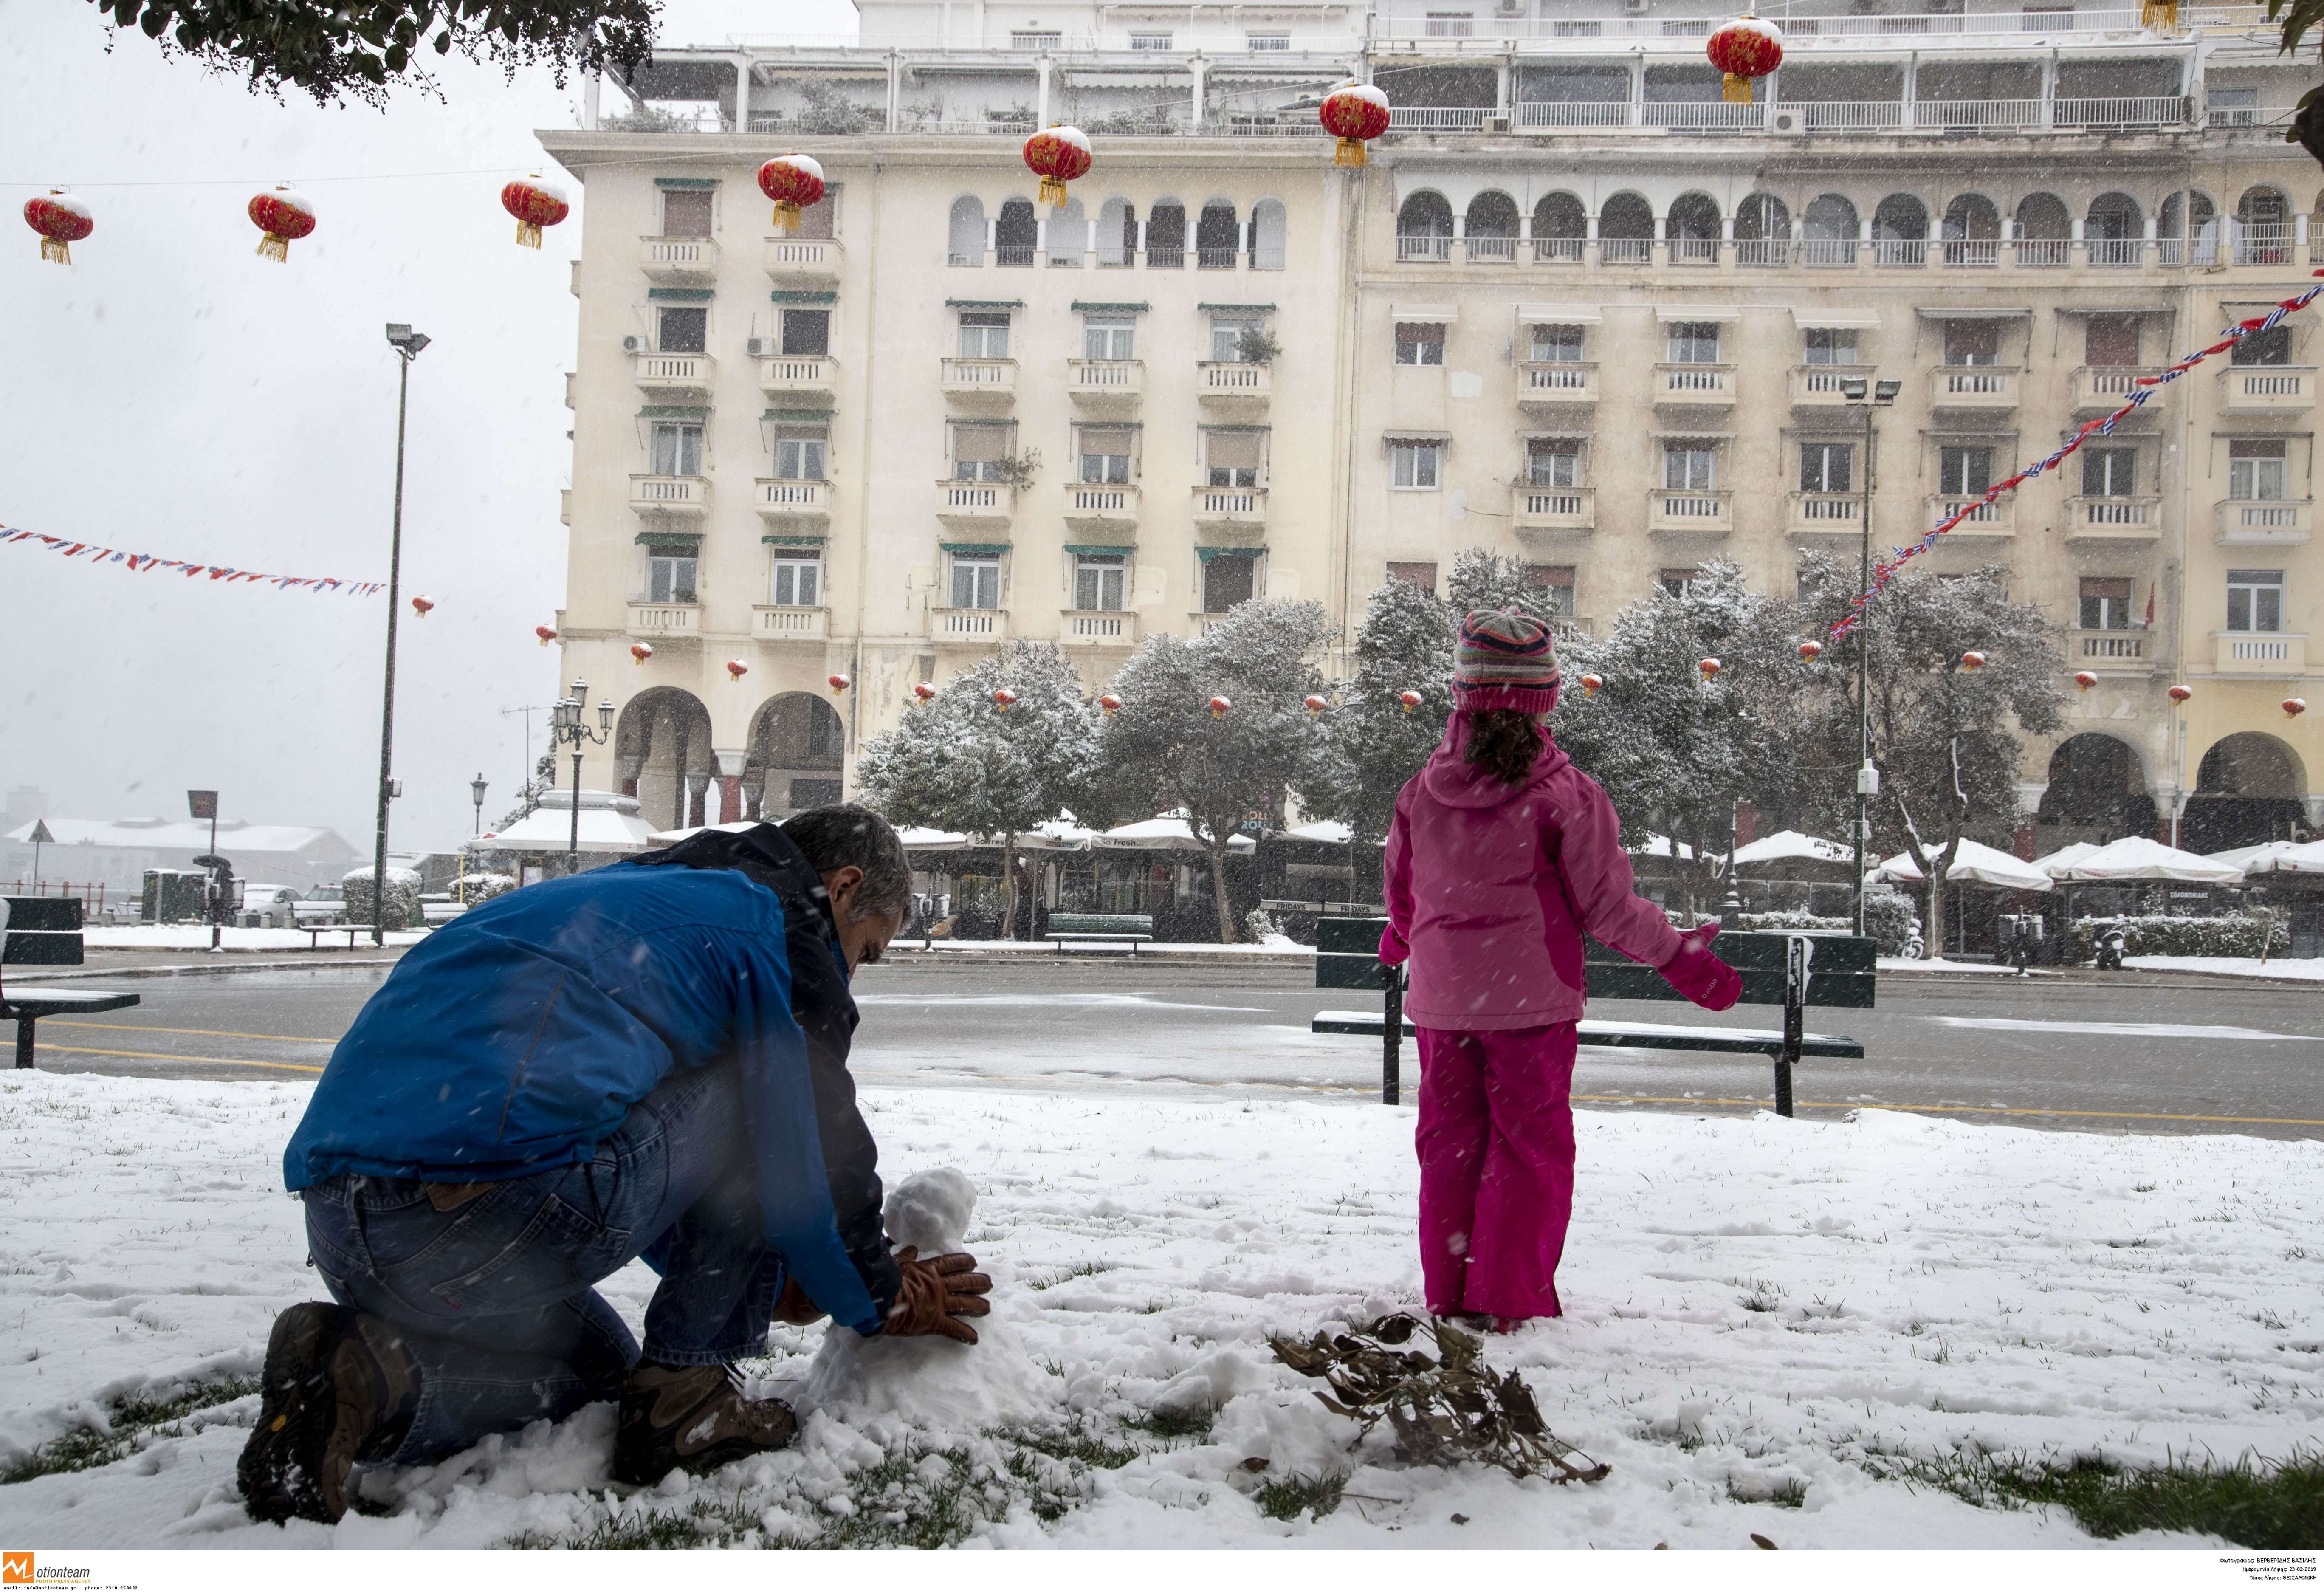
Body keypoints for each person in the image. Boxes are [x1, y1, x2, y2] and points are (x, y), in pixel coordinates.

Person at [237, 805, 992, 1526]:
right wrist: (877, 1292)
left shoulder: (637, 892)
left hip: (351, 1223)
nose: (852, 975)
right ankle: (691, 1395)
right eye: (864, 950)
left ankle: (361, 1377)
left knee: (600, 1377)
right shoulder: (778, 928)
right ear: (845, 887)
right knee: (758, 1078)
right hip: (491, 1208)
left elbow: (629, 1154)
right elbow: (809, 1143)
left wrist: (757, 1277)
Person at [1382, 610, 1741, 1335]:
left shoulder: (1423, 792)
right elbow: (1607, 908)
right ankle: (1506, 1296)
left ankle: (1450, 1292)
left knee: (1450, 1146)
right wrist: (1680, 957)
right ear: (1544, 699)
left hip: (1446, 1005)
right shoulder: (1568, 796)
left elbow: (1403, 889)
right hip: (1531, 1006)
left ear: (1463, 696)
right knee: (1527, 1149)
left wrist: (1401, 939)